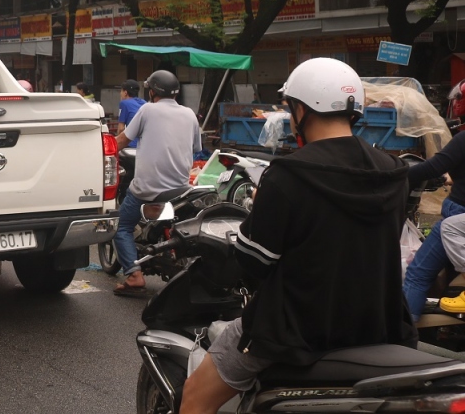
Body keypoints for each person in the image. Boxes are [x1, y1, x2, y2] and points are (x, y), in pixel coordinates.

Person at [180, 58, 415, 414]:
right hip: (376, 323)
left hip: (295, 330)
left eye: (290, 108)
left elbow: (254, 262)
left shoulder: (289, 175)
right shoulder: (393, 172)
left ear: (302, 109)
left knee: (195, 398)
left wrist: (261, 206)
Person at [113, 70, 201, 296]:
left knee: (121, 226)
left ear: (152, 91)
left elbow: (122, 141)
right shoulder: (190, 114)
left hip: (148, 191)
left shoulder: (147, 110)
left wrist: (103, 150)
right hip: (181, 190)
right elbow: (195, 149)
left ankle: (134, 275)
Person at [402, 131, 465, 319]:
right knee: (451, 278)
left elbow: (431, 168)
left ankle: (401, 336)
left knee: (418, 275)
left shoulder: (463, 139)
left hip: (458, 217)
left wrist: (392, 175)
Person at [116, 79, 147, 148]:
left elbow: (121, 128)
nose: (120, 94)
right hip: (144, 144)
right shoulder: (144, 103)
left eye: (121, 91)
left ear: (125, 92)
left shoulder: (124, 103)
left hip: (130, 144)